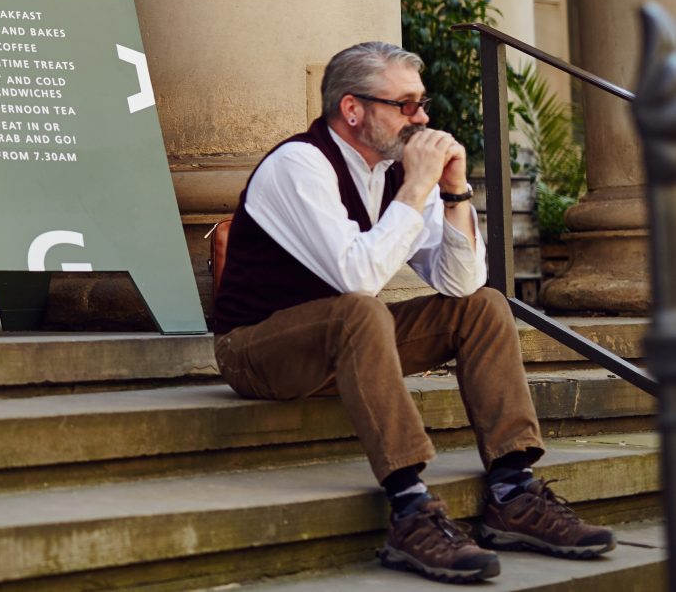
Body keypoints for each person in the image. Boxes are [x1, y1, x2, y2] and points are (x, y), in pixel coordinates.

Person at [211, 41, 614, 584]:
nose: (421, 118)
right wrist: (419, 184)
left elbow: (461, 282)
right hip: (257, 351)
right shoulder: (299, 165)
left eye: (422, 104)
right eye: (405, 105)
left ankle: (512, 491)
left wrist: (452, 193)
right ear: (352, 110)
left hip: (349, 350)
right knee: (361, 309)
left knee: (484, 307)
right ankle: (410, 509)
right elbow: (356, 278)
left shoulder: (403, 173)